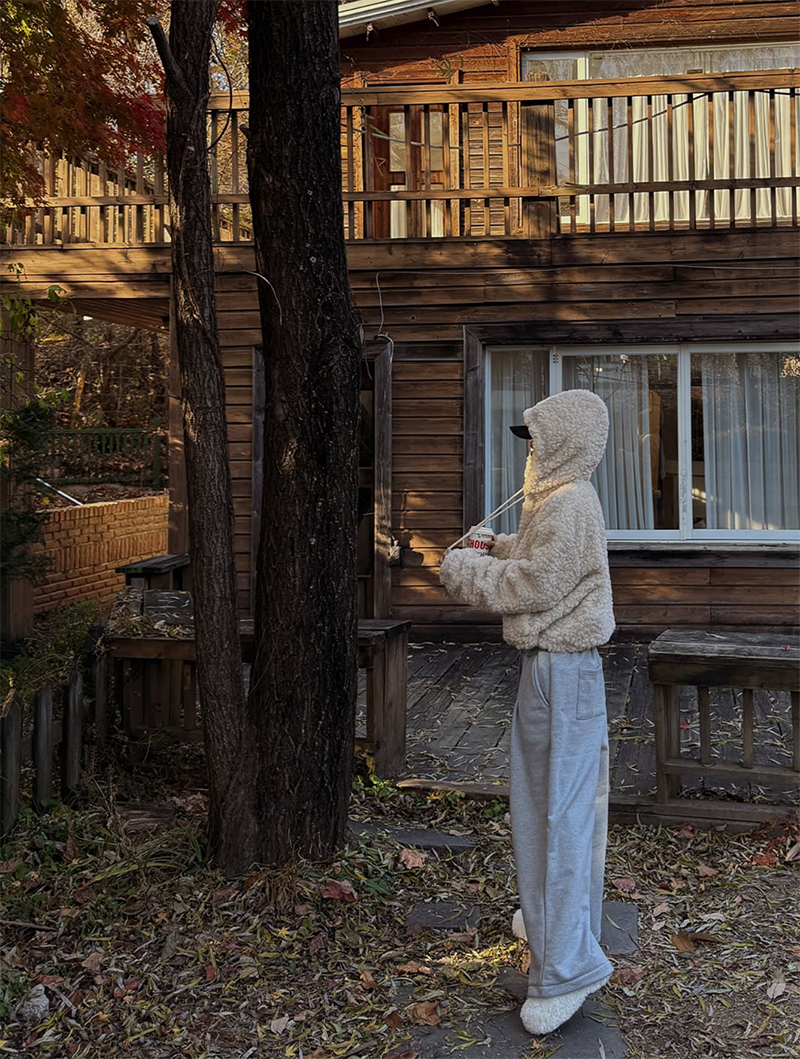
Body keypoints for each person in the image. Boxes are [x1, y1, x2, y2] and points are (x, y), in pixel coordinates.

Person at [438, 389, 615, 1036]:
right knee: (555, 807)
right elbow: (540, 555)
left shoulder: (570, 503)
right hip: (556, 670)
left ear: (565, 442)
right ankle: (557, 921)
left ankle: (567, 968)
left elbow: (537, 582)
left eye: (538, 438)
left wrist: (465, 572)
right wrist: (494, 546)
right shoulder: (557, 503)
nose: (531, 449)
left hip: (563, 671)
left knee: (555, 814)